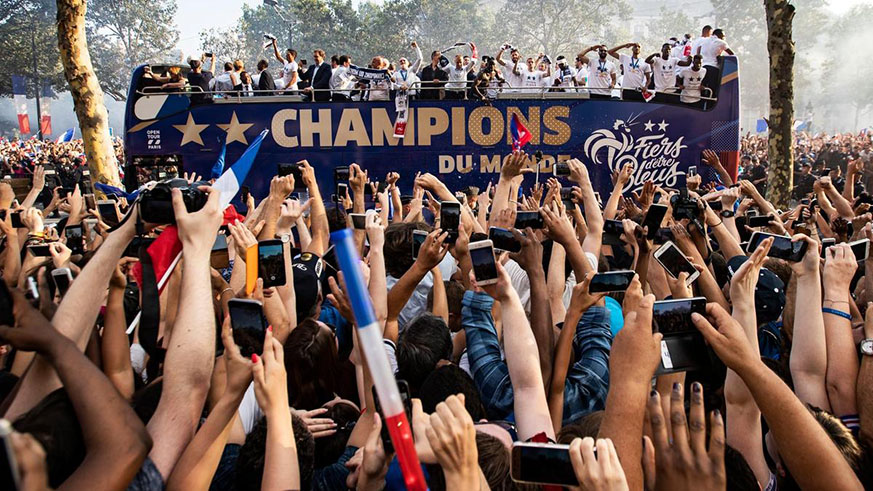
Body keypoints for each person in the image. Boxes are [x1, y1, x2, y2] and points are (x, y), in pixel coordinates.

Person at [700, 28, 734, 100]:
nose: (724, 38)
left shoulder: (705, 40)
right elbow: (732, 54)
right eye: (723, 36)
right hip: (713, 68)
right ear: (719, 35)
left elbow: (698, 49)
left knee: (703, 89)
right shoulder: (721, 42)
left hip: (703, 67)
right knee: (712, 90)